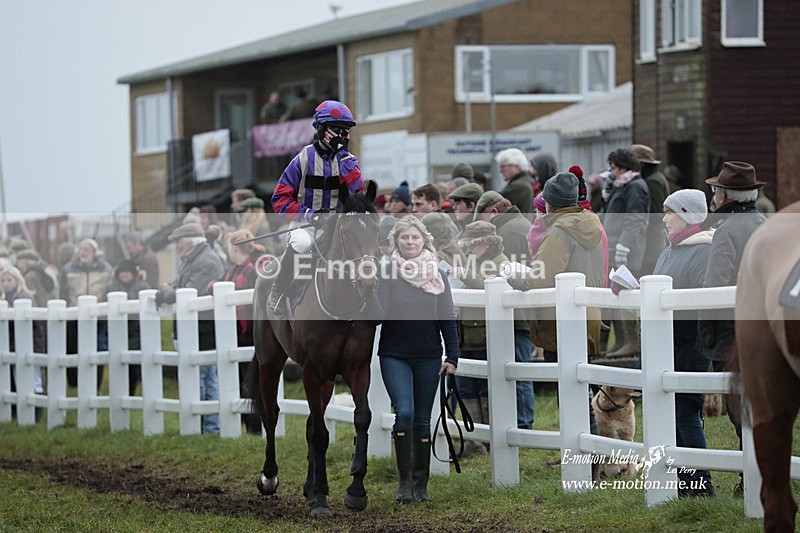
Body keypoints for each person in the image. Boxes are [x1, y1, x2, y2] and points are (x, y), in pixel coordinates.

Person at [506, 172, 604, 434]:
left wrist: (513, 276)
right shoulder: (591, 222)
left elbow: (540, 279)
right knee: (580, 388)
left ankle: (581, 457)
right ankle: (584, 454)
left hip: (561, 320)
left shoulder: (559, 231)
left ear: (549, 203)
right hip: (588, 315)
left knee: (570, 392)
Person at [370, 215, 458, 503]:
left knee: (422, 419)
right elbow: (379, 316)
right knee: (404, 413)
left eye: (415, 237)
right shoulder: (386, 272)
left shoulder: (438, 274)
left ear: (424, 240)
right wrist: (370, 289)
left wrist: (453, 356)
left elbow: (447, 319)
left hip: (429, 355)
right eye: (404, 238)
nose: (409, 242)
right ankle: (404, 482)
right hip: (395, 354)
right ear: (396, 241)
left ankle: (421, 485)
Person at [697, 161, 766, 496]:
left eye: (715, 190)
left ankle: (749, 477)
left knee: (739, 406)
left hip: (732, 331)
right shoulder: (764, 223)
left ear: (724, 195)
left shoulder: (726, 229)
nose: (712, 195)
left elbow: (715, 285)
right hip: (764, 324)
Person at [269, 100, 364, 318]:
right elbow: (279, 200)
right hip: (307, 223)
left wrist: (343, 156)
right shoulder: (301, 160)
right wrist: (310, 215)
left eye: (345, 131)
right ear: (321, 129)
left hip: (338, 225)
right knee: (302, 243)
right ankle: (278, 290)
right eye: (336, 129)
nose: (341, 135)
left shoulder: (350, 161)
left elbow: (358, 192)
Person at [652, 188, 716, 497]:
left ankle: (700, 484)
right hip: (666, 342)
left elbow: (703, 297)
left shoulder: (703, 250)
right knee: (671, 412)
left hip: (690, 342)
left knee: (686, 411)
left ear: (687, 215)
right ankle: (683, 482)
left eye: (670, 212)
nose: (664, 218)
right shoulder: (671, 249)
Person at [155, 222, 225, 434]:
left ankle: (210, 427)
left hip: (203, 327)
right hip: (196, 326)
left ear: (190, 242)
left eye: (178, 242)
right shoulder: (196, 259)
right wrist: (169, 291)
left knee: (205, 377)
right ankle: (207, 426)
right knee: (203, 376)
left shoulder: (205, 261)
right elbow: (178, 286)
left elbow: (188, 292)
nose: (176, 247)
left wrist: (164, 295)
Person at [473, 190, 534, 429]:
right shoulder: (519, 225)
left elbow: (508, 274)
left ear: (494, 212)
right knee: (516, 370)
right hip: (518, 312)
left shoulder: (509, 232)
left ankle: (522, 425)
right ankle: (519, 424)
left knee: (518, 372)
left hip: (515, 314)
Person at [455, 221, 508, 454]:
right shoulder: (474, 261)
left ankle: (489, 439)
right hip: (467, 332)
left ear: (486, 243)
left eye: (473, 244)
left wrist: (465, 274)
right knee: (466, 387)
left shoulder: (501, 262)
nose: (469, 249)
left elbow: (490, 288)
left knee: (487, 389)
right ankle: (473, 440)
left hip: (485, 334)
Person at [209, 229, 264, 435]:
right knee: (242, 382)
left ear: (233, 248)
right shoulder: (235, 270)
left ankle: (255, 427)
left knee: (251, 382)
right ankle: (249, 427)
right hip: (240, 332)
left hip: (249, 332)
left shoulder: (249, 269)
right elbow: (212, 286)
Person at [601, 148, 650, 357]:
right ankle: (622, 340)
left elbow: (635, 219)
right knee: (617, 294)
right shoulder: (624, 186)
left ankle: (632, 341)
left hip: (625, 250)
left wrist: (623, 244)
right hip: (615, 246)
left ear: (623, 167)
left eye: (613, 168)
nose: (611, 172)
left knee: (626, 293)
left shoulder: (636, 187)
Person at [60, 238, 114, 390]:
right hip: (74, 314)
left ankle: (96, 385)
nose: (83, 252)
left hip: (98, 316)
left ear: (94, 252)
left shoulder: (106, 268)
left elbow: (109, 289)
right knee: (74, 348)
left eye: (87, 249)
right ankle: (75, 384)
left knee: (98, 349)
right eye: (81, 249)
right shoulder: (68, 268)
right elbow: (63, 291)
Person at [103, 260, 150, 395]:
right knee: (118, 361)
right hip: (116, 328)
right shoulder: (110, 288)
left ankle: (131, 391)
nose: (125, 275)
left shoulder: (143, 287)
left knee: (134, 361)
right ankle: (119, 391)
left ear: (134, 274)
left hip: (137, 329)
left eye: (128, 272)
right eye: (122, 272)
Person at [2, 265, 45, 399]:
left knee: (33, 379)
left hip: (30, 344)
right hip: (15, 344)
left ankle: (36, 412)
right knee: (18, 379)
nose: (5, 284)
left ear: (17, 280)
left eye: (9, 280)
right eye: (3, 281)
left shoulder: (24, 296)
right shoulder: (5, 298)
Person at [630, 144, 670, 276]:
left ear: (641, 165)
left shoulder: (653, 182)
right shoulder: (654, 178)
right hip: (653, 235)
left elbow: (656, 212)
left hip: (653, 237)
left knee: (650, 272)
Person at [495, 148, 534, 216]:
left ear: (516, 166)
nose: (500, 170)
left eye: (503, 166)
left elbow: (491, 201)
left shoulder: (518, 186)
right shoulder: (524, 181)